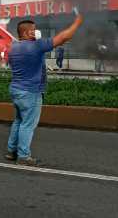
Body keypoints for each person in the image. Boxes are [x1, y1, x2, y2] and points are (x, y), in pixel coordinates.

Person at [5, 12, 83, 166]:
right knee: (28, 124)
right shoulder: (36, 46)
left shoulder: (13, 47)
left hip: (16, 90)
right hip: (30, 92)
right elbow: (63, 38)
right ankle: (23, 156)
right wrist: (77, 22)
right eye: (34, 29)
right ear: (27, 32)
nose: (37, 31)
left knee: (19, 120)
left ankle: (11, 151)